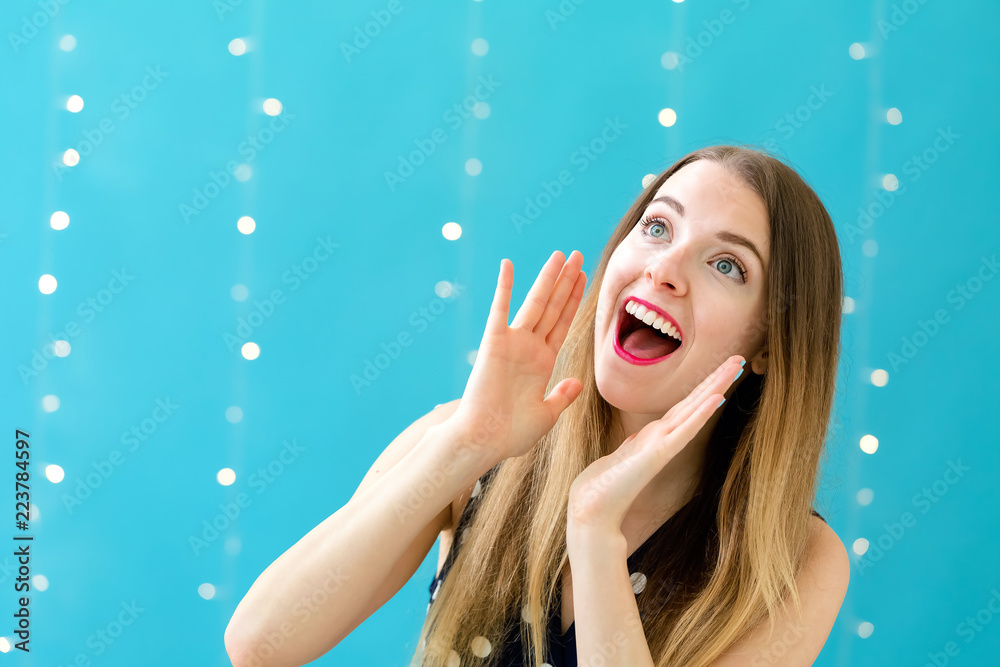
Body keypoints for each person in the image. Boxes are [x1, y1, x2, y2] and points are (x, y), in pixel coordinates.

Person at [223, 144, 850, 667]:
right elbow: (261, 643)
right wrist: (468, 443)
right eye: (658, 227)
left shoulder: (793, 562)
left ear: (769, 342)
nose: (664, 268)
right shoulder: (463, 442)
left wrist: (596, 532)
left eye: (726, 264)